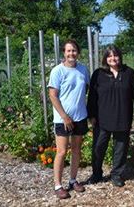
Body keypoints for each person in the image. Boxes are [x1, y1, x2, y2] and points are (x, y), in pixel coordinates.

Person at [87, 45, 134, 187]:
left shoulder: (129, 73)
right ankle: (97, 173)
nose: (113, 58)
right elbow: (92, 96)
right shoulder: (98, 74)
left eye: (115, 55)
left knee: (120, 149)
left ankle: (116, 174)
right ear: (105, 58)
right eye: (109, 56)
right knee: (98, 147)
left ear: (120, 56)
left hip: (123, 118)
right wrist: (91, 115)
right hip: (102, 119)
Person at [48, 39, 90, 199]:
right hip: (62, 119)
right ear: (64, 53)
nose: (71, 53)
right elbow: (53, 95)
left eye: (74, 50)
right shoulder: (57, 71)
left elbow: (85, 89)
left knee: (76, 150)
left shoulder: (83, 70)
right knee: (62, 151)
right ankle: (58, 185)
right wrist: (65, 116)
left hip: (80, 116)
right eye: (68, 51)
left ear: (78, 53)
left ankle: (73, 180)